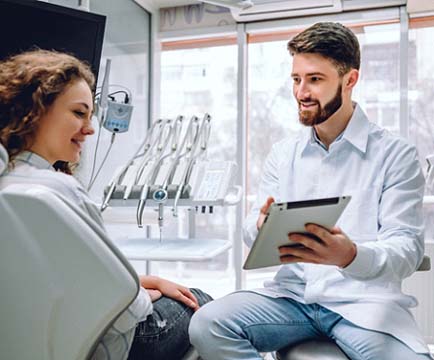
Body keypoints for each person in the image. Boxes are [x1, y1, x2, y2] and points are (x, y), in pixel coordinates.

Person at [189, 22, 432, 360]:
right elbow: (251, 228)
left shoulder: (396, 155)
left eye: (315, 79)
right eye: (296, 79)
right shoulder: (283, 153)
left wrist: (349, 256)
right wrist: (260, 226)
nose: (302, 92)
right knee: (207, 324)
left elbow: (406, 248)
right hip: (294, 300)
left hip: (363, 304)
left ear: (350, 80)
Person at [0, 49, 212, 360]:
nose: (90, 128)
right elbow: (128, 311)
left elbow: (49, 281)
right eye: (78, 113)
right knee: (203, 302)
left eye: (90, 116)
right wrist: (140, 294)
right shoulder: (58, 191)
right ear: (37, 109)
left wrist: (140, 283)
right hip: (112, 345)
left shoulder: (9, 185)